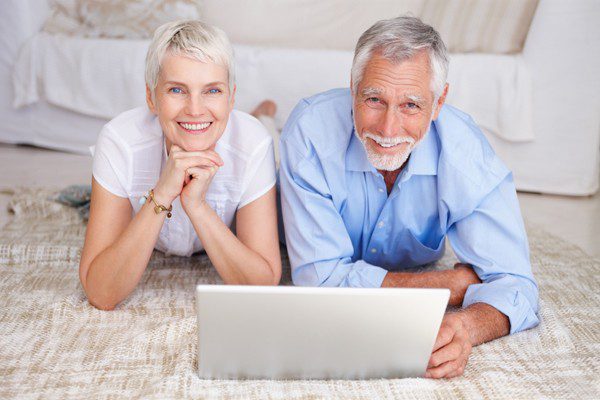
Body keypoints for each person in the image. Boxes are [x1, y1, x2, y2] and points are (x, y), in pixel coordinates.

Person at [279, 16, 539, 379]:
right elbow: (320, 282)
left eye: (411, 106)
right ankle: (263, 116)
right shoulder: (309, 133)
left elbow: (517, 285)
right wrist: (450, 286)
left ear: (438, 102)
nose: (388, 129)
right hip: (282, 167)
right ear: (352, 89)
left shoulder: (464, 153)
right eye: (374, 99)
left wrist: (467, 326)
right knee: (261, 141)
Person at [79, 20, 281, 311]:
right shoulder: (119, 141)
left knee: (266, 129)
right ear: (151, 97)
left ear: (231, 96)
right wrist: (161, 194)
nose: (195, 108)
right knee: (201, 124)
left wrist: (196, 205)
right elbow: (101, 293)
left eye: (212, 91)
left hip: (250, 130)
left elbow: (262, 285)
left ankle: (264, 114)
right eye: (177, 90)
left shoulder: (253, 144)